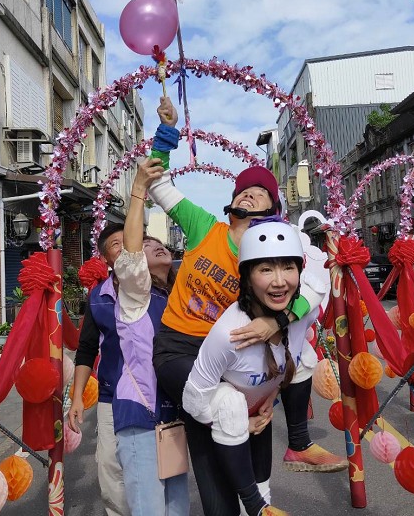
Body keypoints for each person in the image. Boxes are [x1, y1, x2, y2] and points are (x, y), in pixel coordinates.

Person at [144, 97, 347, 516]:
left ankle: (278, 472)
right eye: (245, 192)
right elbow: (158, 185)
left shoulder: (276, 251)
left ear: (275, 211)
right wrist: (166, 133)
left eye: (261, 194)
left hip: (237, 353)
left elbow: (315, 283)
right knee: (223, 427)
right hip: (181, 349)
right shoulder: (205, 227)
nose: (251, 196)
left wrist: (280, 320)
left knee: (255, 424)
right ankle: (248, 504)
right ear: (232, 203)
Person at [183, 219, 329, 516]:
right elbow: (193, 400)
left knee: (306, 356)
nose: (280, 281)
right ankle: (254, 505)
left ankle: (298, 444)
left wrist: (280, 320)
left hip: (262, 404)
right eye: (265, 270)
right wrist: (239, 423)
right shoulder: (230, 334)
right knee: (230, 403)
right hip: (225, 421)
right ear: (247, 278)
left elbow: (319, 285)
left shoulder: (301, 311)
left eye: (288, 267)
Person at [110, 160, 189, 515]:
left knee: (178, 509)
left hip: (174, 417)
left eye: (157, 241)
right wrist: (139, 189)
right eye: (145, 243)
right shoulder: (135, 296)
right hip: (142, 417)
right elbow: (130, 257)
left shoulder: (178, 297)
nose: (154, 244)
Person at [70, 222, 130, 516]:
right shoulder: (97, 297)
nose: (125, 247)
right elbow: (86, 349)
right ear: (105, 258)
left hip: (153, 394)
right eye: (116, 244)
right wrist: (77, 397)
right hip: (111, 394)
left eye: (129, 240)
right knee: (108, 466)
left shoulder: (159, 290)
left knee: (154, 467)